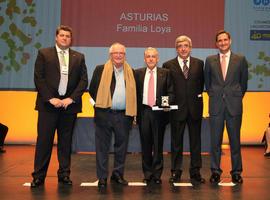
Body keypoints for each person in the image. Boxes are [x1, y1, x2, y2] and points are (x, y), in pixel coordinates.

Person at [31, 25, 88, 187]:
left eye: (67, 36)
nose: (64, 38)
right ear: (56, 37)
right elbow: (38, 78)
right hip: (48, 106)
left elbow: (83, 81)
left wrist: (71, 99)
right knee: (44, 142)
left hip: (69, 107)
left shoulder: (79, 57)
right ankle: (38, 176)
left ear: (71, 39)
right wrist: (50, 98)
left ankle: (64, 174)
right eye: (62, 35)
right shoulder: (44, 53)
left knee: (65, 142)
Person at [89, 43, 137, 188]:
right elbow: (92, 90)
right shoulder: (100, 69)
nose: (118, 55)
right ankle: (102, 177)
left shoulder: (131, 71)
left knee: (121, 147)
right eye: (115, 53)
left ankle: (117, 175)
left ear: (124, 55)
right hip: (104, 114)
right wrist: (100, 105)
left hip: (124, 115)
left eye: (121, 53)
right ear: (110, 55)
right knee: (102, 147)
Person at [204, 30, 248, 184]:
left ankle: (236, 172)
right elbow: (208, 84)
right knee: (215, 141)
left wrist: (233, 96)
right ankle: (216, 171)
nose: (222, 43)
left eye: (225, 40)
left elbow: (243, 84)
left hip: (234, 106)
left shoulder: (240, 59)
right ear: (216, 43)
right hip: (216, 105)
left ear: (230, 41)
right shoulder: (210, 60)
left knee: (235, 141)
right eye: (219, 40)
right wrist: (216, 95)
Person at [162, 35, 205, 184]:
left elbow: (201, 85)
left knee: (196, 142)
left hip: (195, 108)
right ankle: (176, 171)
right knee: (176, 142)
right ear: (176, 49)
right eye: (180, 46)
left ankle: (195, 171)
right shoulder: (168, 65)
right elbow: (167, 87)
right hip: (176, 110)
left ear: (190, 48)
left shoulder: (200, 64)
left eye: (186, 45)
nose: (183, 48)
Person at [135, 47, 174, 185]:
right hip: (144, 112)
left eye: (153, 56)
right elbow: (134, 95)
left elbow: (171, 92)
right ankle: (147, 173)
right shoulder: (137, 73)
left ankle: (157, 174)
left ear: (157, 59)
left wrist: (164, 103)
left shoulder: (166, 73)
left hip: (159, 113)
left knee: (158, 145)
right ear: (145, 59)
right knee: (145, 145)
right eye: (148, 56)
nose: (151, 59)